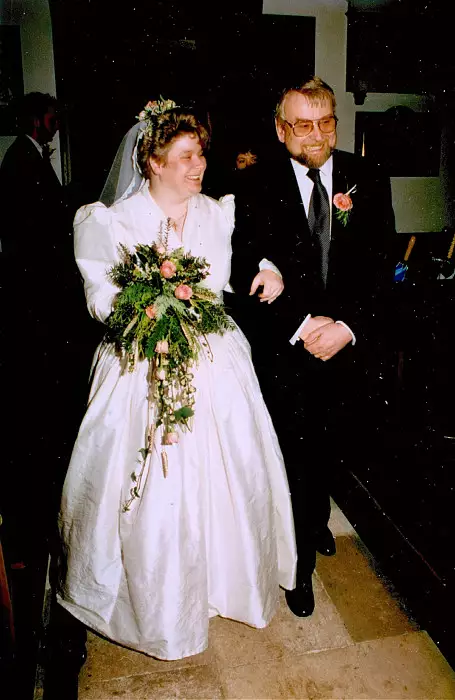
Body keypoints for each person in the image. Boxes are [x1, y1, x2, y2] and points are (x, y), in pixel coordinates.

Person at [55, 100, 297, 662]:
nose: (199, 167)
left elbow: (252, 250)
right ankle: (160, 602)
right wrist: (142, 310)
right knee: (150, 478)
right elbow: (100, 298)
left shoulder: (219, 211)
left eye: (202, 155)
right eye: (186, 157)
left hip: (216, 355)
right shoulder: (108, 221)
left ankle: (224, 581)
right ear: (153, 162)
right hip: (143, 360)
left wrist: (268, 267)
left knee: (230, 467)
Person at [230, 77, 396, 618]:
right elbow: (244, 266)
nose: (318, 136)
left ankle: (320, 520)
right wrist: (303, 325)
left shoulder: (367, 177)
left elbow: (378, 269)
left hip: (347, 350)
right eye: (303, 125)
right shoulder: (254, 184)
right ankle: (298, 570)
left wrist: (347, 326)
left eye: (326, 122)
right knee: (296, 458)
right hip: (289, 351)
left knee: (332, 450)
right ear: (281, 131)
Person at [0, 92, 85, 567]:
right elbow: (30, 225)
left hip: (39, 284)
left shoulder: (28, 155)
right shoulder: (19, 159)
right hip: (30, 285)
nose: (56, 121)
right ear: (36, 118)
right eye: (51, 114)